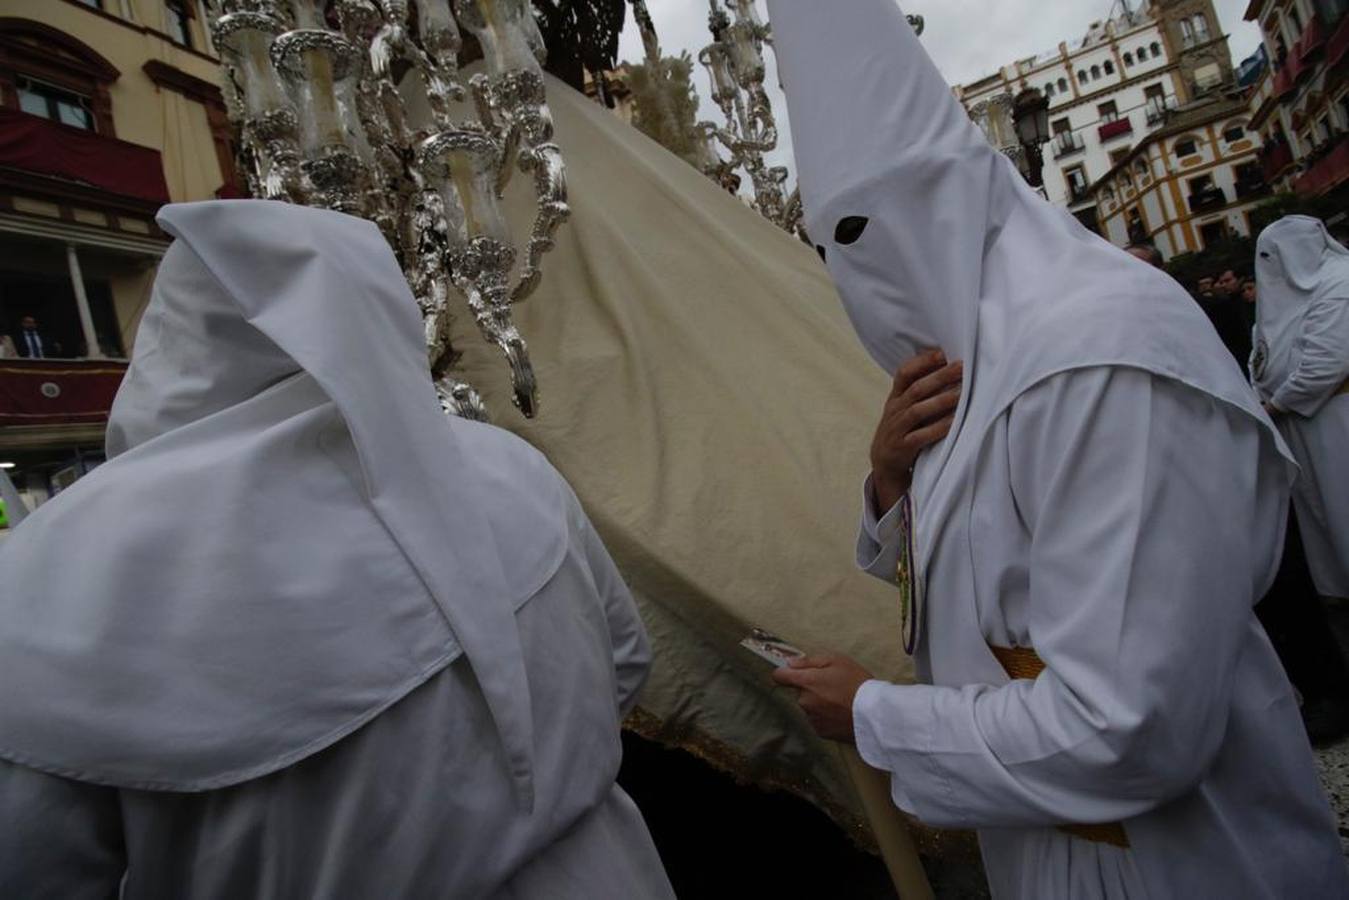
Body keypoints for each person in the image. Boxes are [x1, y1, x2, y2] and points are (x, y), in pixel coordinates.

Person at [765, 1, 1348, 897]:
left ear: (954, 197)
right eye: (831, 246)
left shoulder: (1098, 355)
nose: (860, 275)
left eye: (868, 230)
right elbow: (974, 589)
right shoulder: (977, 358)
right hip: (1042, 835)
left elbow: (1132, 727)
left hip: (1180, 859)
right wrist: (891, 484)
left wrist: (876, 715)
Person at [0, 200, 675, 900]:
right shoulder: (510, 468)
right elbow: (623, 662)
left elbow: (34, 863)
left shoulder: (59, 569)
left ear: (177, 334)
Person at [1252, 216, 1349, 602]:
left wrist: (1276, 404)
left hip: (1335, 416)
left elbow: (1328, 362)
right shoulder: (1291, 292)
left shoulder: (1340, 284)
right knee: (1322, 511)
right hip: (1297, 423)